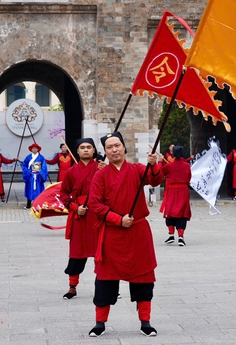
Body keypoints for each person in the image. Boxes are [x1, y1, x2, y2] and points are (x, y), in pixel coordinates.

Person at [86, 131, 163, 337]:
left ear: (124, 147)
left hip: (138, 233)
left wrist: (154, 164)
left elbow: (154, 180)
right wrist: (117, 219)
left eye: (117, 145)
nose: (114, 149)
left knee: (144, 279)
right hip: (112, 234)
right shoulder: (100, 175)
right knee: (105, 280)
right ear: (105, 152)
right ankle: (100, 323)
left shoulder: (138, 169)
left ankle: (145, 322)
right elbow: (95, 204)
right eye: (110, 147)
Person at [59, 138, 104, 300]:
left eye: (89, 147)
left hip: (98, 215)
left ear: (94, 151)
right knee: (77, 252)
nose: (85, 150)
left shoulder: (102, 168)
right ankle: (72, 286)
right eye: (82, 147)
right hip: (80, 215)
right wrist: (74, 207)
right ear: (77, 151)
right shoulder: (71, 172)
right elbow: (63, 194)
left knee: (101, 252)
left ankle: (106, 286)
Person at [160, 146, 192, 246]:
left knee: (170, 212)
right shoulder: (187, 166)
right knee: (182, 213)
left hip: (172, 191)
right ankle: (181, 237)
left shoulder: (169, 166)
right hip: (183, 191)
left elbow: (160, 173)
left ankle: (171, 234)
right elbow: (189, 177)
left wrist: (160, 162)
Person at [22, 142, 48, 209]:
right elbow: (24, 165)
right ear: (31, 149)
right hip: (30, 176)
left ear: (38, 149)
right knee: (29, 190)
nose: (34, 149)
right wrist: (28, 171)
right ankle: (28, 205)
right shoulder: (28, 157)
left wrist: (41, 171)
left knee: (38, 190)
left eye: (35, 148)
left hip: (38, 176)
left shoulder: (41, 157)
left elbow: (44, 167)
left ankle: (38, 205)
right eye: (33, 148)